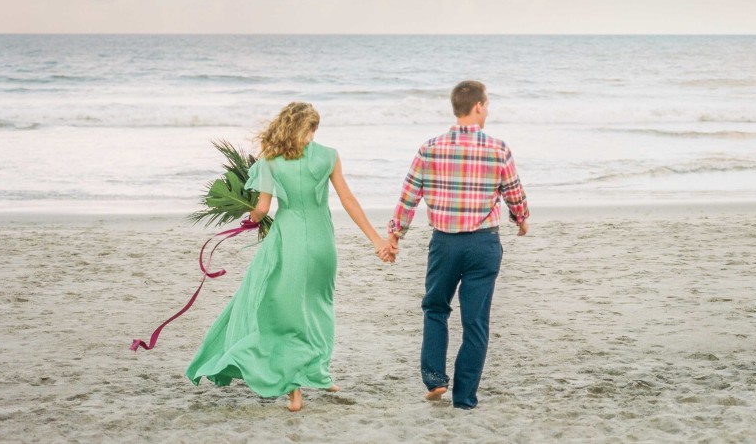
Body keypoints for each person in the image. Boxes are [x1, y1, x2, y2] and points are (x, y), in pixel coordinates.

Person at [186, 101, 393, 412]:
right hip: (322, 244)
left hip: (288, 242)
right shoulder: (329, 156)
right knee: (319, 306)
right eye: (314, 128)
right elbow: (348, 199)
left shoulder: (270, 160)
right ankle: (318, 372)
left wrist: (250, 218)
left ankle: (295, 389)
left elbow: (263, 210)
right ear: (309, 129)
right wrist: (376, 239)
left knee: (285, 312)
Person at [387, 80, 530, 410]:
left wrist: (396, 234)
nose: (488, 111)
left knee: (436, 308)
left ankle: (435, 380)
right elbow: (513, 191)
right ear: (478, 106)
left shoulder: (430, 148)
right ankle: (465, 399)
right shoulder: (498, 149)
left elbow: (410, 196)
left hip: (445, 244)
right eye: (487, 105)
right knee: (475, 323)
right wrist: (521, 218)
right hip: (484, 244)